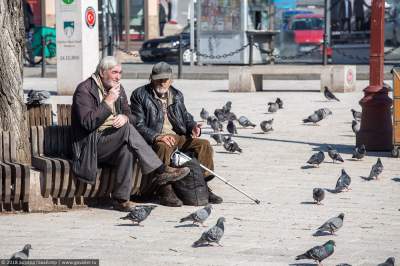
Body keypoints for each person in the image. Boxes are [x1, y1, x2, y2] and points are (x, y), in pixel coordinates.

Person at [71, 56, 190, 212]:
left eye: (120, 72)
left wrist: (125, 117)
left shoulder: (118, 89)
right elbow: (88, 123)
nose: (118, 77)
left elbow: (131, 115)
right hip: (90, 146)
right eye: (114, 72)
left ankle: (121, 200)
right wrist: (107, 102)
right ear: (102, 72)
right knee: (126, 130)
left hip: (110, 141)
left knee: (126, 149)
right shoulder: (85, 90)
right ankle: (160, 170)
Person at [130, 62, 223, 207]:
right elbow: (138, 125)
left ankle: (202, 184)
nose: (162, 82)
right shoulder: (140, 95)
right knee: (163, 145)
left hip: (177, 135)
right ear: (151, 78)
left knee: (204, 145)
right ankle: (164, 189)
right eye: (158, 79)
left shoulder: (177, 95)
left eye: (165, 79)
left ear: (171, 80)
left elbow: (185, 116)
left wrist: (193, 126)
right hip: (156, 136)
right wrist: (157, 136)